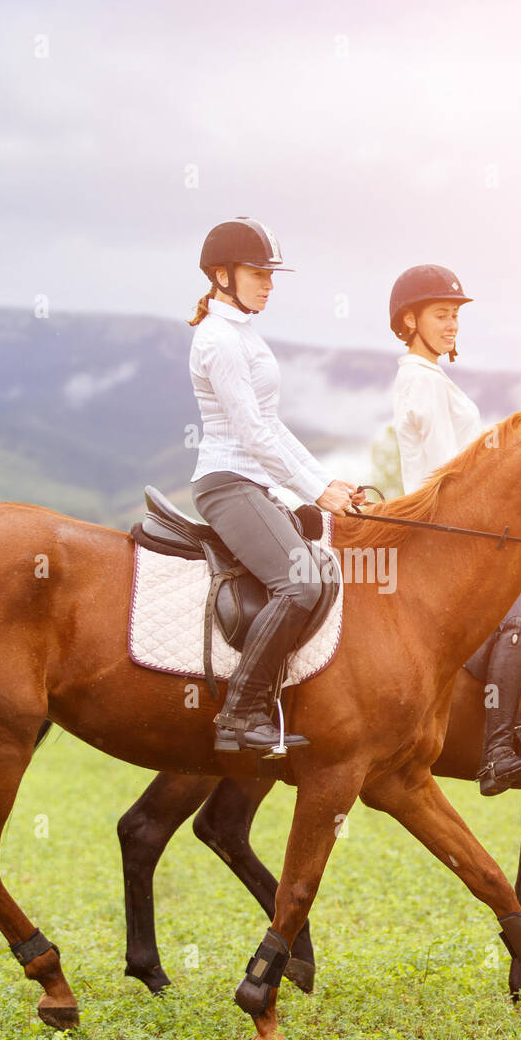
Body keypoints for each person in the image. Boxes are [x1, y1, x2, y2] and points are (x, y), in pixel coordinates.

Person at [188, 217, 362, 756]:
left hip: (254, 481)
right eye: (257, 272)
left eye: (271, 274)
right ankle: (240, 715)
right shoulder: (218, 340)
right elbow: (251, 432)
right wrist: (314, 489)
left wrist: (325, 482)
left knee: (315, 574)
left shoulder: (243, 333)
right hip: (227, 481)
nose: (268, 283)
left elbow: (273, 425)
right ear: (221, 274)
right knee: (303, 582)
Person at [389, 264, 521, 795]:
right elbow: (451, 475)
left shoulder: (434, 379)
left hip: (466, 531)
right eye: (442, 315)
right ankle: (498, 748)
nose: (453, 324)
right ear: (410, 320)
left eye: (456, 315)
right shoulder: (420, 381)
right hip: (449, 536)